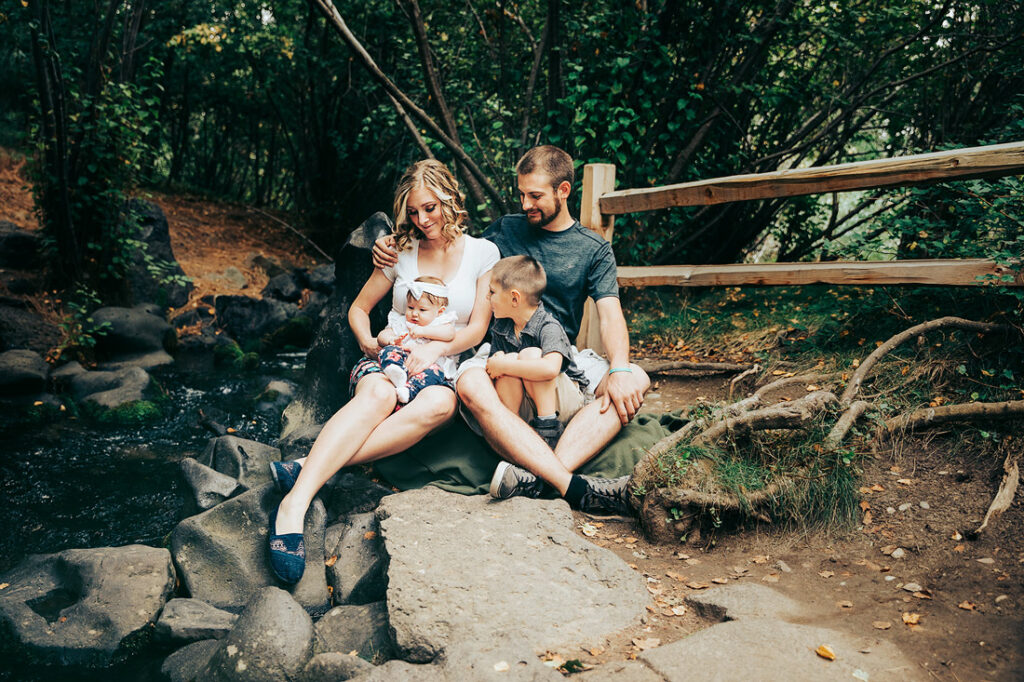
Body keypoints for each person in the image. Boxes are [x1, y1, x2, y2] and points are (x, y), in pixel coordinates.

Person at [373, 145, 650, 515]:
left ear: (563, 191)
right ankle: (568, 484)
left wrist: (619, 368)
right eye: (521, 194)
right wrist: (394, 243)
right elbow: (449, 243)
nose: (525, 204)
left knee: (635, 377)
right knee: (470, 383)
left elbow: (611, 315)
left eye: (535, 196)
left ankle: (541, 478)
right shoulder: (504, 231)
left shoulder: (593, 249)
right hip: (500, 350)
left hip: (559, 354)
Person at [268, 159, 499, 584]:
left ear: (450, 199)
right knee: (379, 394)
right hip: (387, 356)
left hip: (441, 365)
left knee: (440, 404)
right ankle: (294, 505)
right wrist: (369, 340)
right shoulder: (399, 250)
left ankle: (311, 465)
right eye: (413, 212)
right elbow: (359, 309)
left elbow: (477, 328)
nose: (422, 220)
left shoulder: (484, 253)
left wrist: (436, 348)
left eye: (430, 208)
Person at [484, 255, 587, 451]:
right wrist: (501, 363)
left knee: (528, 355)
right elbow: (495, 369)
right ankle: (512, 430)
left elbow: (550, 369)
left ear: (514, 298)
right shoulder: (501, 326)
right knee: (508, 361)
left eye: (492, 292)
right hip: (527, 403)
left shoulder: (548, 326)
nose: (487, 297)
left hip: (563, 402)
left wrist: (504, 364)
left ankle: (548, 430)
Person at [378, 275, 458, 403]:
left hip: (428, 365)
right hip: (402, 360)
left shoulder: (439, 323)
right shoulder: (403, 322)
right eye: (410, 307)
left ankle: (409, 390)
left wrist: (424, 331)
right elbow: (382, 335)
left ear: (439, 311)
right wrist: (391, 340)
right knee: (386, 351)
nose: (414, 313)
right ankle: (395, 371)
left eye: (422, 310)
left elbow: (450, 334)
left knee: (435, 374)